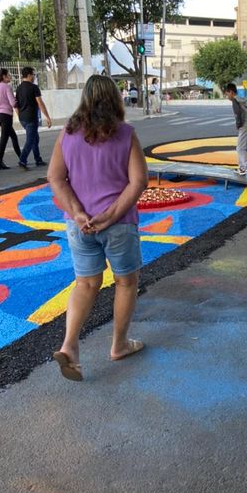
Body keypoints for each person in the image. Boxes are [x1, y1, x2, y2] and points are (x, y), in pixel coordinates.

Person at [47, 75, 148, 381]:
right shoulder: (126, 134)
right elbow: (139, 181)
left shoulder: (68, 134)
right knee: (125, 282)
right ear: (115, 99)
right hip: (119, 225)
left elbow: (55, 178)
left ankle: (69, 345)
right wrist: (111, 214)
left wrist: (77, 213)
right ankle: (119, 344)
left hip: (80, 227)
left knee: (86, 284)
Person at [16, 66, 51, 169]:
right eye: (33, 75)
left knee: (35, 138)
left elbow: (16, 105)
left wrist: (19, 116)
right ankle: (22, 160)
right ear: (29, 75)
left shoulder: (18, 88)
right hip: (31, 118)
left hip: (23, 118)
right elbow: (40, 103)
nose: (34, 77)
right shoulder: (34, 87)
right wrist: (47, 117)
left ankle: (38, 159)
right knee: (30, 140)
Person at [0, 68, 21, 170]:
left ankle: (22, 158)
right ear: (4, 76)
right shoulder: (7, 87)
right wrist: (18, 104)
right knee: (4, 139)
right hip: (6, 116)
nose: (10, 76)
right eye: (8, 75)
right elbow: (13, 102)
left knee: (13, 136)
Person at [224, 82, 247, 175]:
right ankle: (242, 167)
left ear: (231, 92)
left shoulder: (235, 101)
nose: (227, 96)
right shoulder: (243, 99)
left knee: (240, 148)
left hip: (244, 126)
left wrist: (238, 125)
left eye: (227, 94)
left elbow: (238, 114)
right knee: (244, 148)